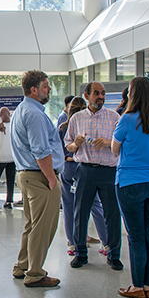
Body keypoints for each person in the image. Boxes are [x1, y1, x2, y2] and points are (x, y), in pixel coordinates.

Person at [111, 77, 149, 298]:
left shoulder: (127, 119)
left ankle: (136, 287)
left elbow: (115, 150)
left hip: (131, 182)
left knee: (136, 237)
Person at [10, 70, 63, 288]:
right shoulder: (34, 114)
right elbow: (41, 151)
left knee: (32, 225)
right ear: (33, 90)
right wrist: (51, 179)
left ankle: (22, 266)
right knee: (42, 228)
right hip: (39, 176)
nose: (49, 89)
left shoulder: (22, 110)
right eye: (45, 85)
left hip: (26, 174)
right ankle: (35, 273)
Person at [64, 81, 123, 270]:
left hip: (108, 170)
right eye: (97, 93)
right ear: (87, 96)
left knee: (112, 214)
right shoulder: (76, 118)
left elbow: (121, 147)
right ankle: (80, 253)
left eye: (103, 93)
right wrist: (77, 144)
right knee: (80, 213)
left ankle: (113, 255)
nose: (101, 97)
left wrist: (107, 142)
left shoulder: (114, 117)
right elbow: (68, 146)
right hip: (85, 170)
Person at [58, 97, 109, 257]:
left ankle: (72, 243)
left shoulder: (62, 127)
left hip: (67, 168)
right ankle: (106, 242)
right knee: (95, 204)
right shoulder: (89, 128)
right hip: (84, 168)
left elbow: (60, 150)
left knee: (68, 205)